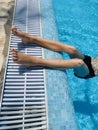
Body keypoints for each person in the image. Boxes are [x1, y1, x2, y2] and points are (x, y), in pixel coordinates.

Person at [11, 26, 98, 79]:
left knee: (78, 63)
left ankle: (33, 61)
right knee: (72, 49)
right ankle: (31, 38)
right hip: (89, 60)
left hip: (88, 72)